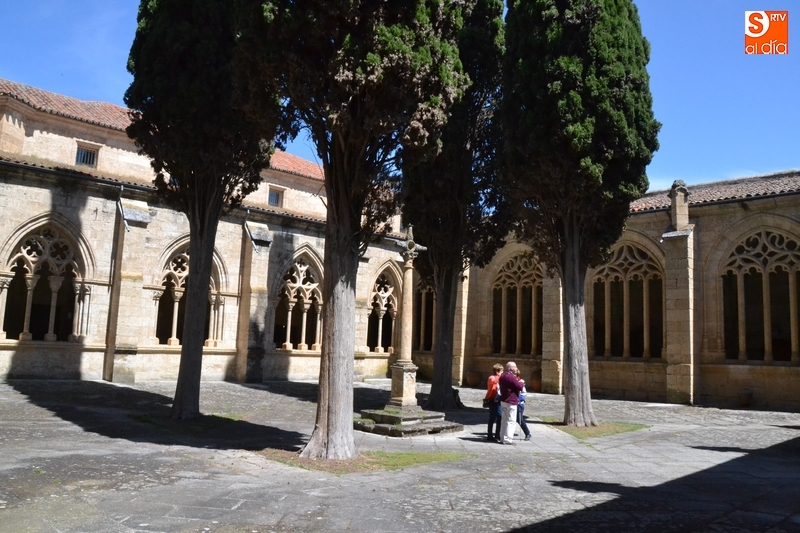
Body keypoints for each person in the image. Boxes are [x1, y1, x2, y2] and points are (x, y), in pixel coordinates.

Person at [498, 361, 524, 445]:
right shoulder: (511, 377)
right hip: (511, 401)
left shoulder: (503, 375)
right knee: (511, 421)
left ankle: (502, 437)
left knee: (504, 420)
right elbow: (519, 387)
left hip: (504, 400)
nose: (516, 368)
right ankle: (508, 439)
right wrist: (521, 382)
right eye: (515, 367)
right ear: (511, 368)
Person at [484, 363, 503, 442]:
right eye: (501, 371)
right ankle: (490, 435)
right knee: (492, 417)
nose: (502, 372)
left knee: (500, 417)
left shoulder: (500, 378)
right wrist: (499, 376)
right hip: (492, 399)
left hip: (499, 400)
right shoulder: (491, 377)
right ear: (498, 371)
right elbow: (493, 382)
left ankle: (497, 434)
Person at [514, 367, 532, 441]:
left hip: (519, 404)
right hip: (512, 403)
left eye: (515, 374)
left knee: (519, 419)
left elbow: (524, 393)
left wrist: (520, 398)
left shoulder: (520, 382)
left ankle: (527, 433)